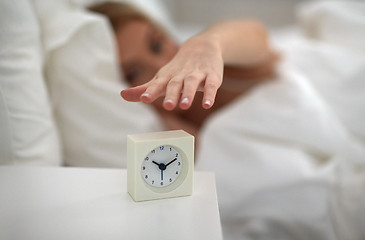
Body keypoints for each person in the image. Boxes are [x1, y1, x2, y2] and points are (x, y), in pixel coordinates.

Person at [89, 2, 279, 139]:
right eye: (133, 74)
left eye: (156, 45)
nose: (160, 67)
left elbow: (258, 39)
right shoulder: (157, 128)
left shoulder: (224, 64)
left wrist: (209, 44)